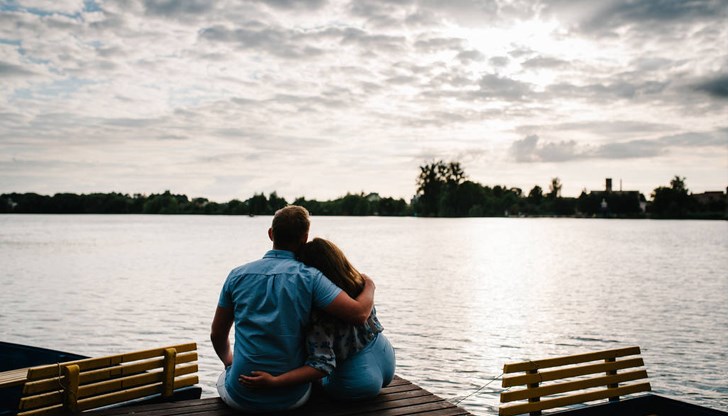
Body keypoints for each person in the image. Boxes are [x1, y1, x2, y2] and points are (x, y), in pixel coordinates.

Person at [210, 206, 376, 412]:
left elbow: (217, 334)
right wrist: (370, 285)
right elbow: (359, 314)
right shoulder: (312, 278)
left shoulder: (236, 276)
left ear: (271, 234)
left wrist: (229, 362)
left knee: (224, 377)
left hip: (241, 396)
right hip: (291, 398)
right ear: (304, 238)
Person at [239, 237, 396, 400]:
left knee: (309, 377)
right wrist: (370, 284)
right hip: (386, 358)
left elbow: (321, 365)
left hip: (357, 381)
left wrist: (275, 381)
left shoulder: (320, 312)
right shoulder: (358, 285)